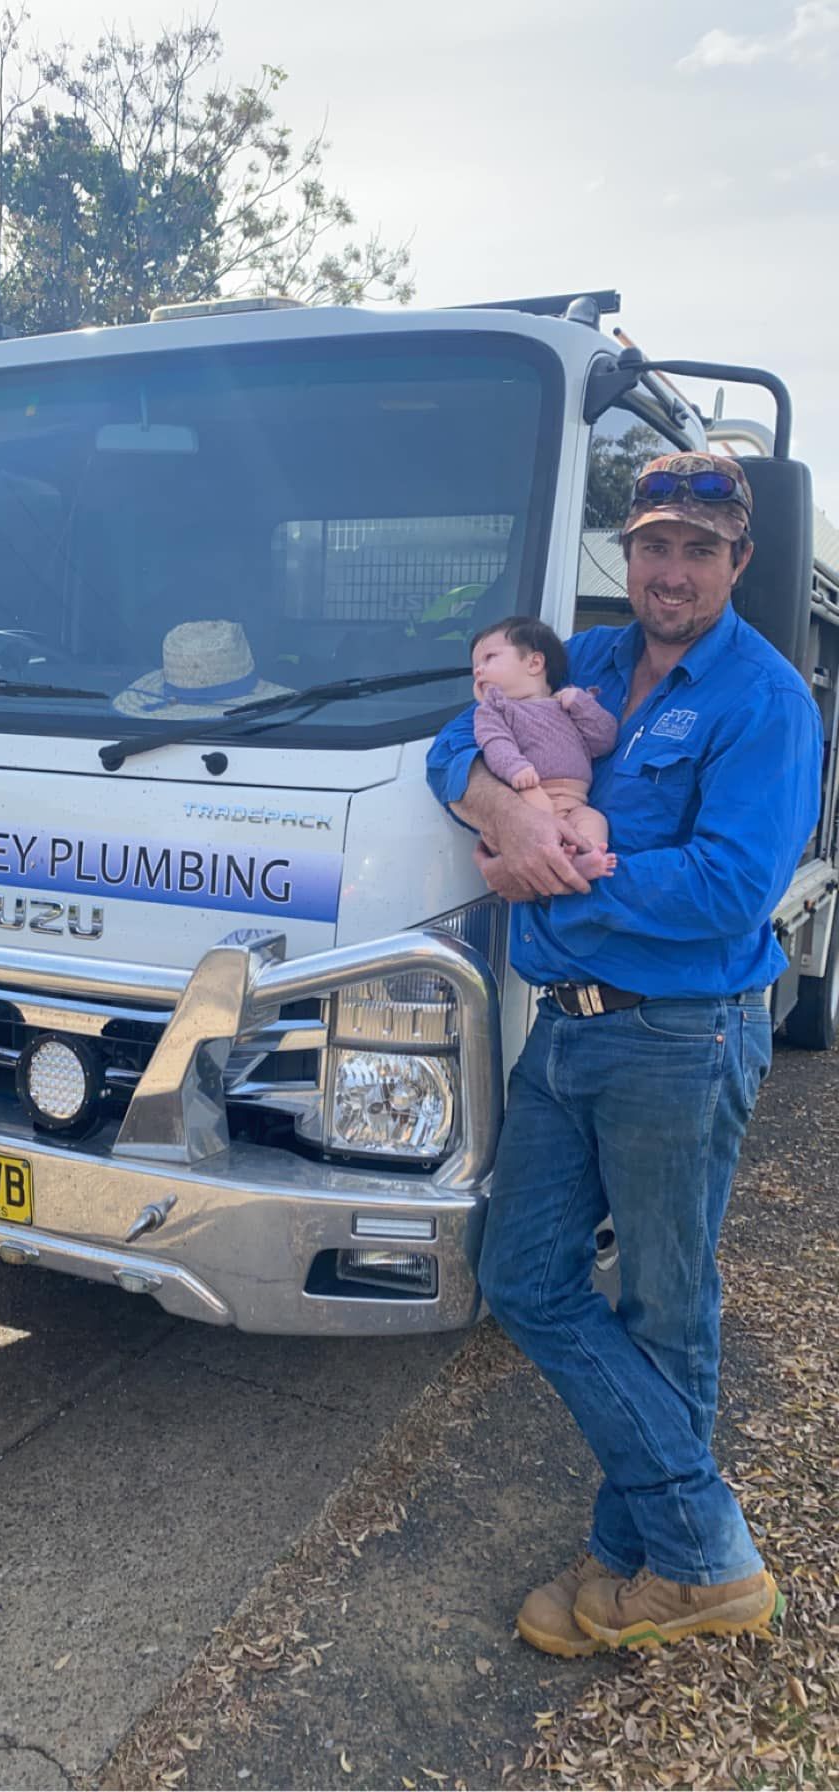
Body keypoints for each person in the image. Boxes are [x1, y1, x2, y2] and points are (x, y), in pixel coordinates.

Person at [426, 451, 822, 1654]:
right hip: (570, 1032)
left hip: (681, 1037)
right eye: (654, 544)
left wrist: (550, 878)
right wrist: (498, 809)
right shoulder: (587, 660)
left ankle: (659, 1555)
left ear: (740, 562)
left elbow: (729, 890)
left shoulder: (769, 701)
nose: (672, 569)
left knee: (664, 1304)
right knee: (526, 1277)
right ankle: (691, 1540)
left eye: (702, 549)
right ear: (628, 553)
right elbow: (461, 739)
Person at [471, 616, 617, 879]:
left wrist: (581, 704)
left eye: (489, 658)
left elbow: (605, 740)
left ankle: (586, 858)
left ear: (535, 662)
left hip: (575, 802)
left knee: (594, 820)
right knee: (533, 828)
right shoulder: (495, 710)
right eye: (475, 666)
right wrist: (515, 767)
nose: (478, 670)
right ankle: (560, 863)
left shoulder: (567, 703)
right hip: (529, 792)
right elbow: (494, 742)